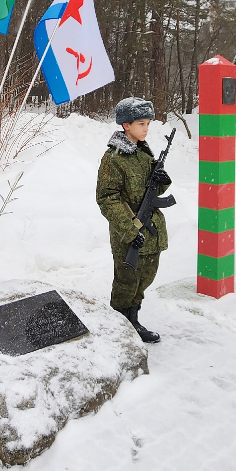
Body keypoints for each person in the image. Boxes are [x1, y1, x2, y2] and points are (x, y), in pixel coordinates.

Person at [96, 97, 171, 344]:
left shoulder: (143, 151)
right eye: (141, 123)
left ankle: (133, 319)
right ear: (126, 125)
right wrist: (130, 228)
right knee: (127, 279)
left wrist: (161, 178)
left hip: (149, 229)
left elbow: (154, 191)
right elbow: (107, 198)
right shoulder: (114, 157)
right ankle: (120, 323)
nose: (146, 128)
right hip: (127, 230)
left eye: (148, 123)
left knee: (145, 276)